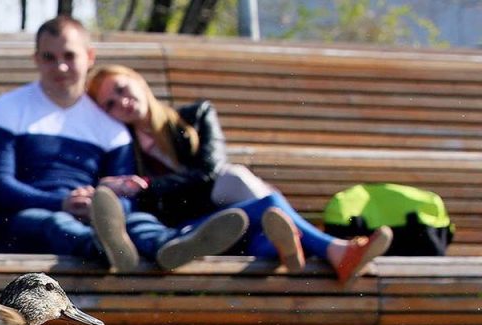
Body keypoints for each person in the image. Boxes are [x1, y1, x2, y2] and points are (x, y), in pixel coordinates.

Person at [0, 15, 249, 272]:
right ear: (36, 60)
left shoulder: (111, 125)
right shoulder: (7, 109)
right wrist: (61, 203)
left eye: (69, 56)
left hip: (95, 215)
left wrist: (100, 205)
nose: (60, 67)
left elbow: (126, 198)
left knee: (137, 220)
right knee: (56, 223)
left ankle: (171, 246)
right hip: (26, 220)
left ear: (89, 57)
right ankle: (104, 248)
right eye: (49, 58)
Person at [84, 63, 393, 283]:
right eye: (110, 104)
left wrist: (149, 186)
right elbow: (150, 207)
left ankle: (290, 246)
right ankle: (331, 249)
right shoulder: (125, 148)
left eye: (123, 90)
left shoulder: (196, 116)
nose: (122, 103)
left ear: (139, 81)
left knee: (238, 183)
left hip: (230, 216)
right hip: (197, 229)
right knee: (264, 205)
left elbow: (210, 171)